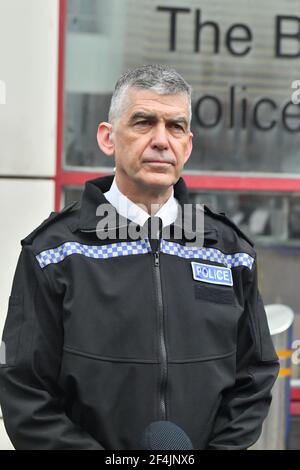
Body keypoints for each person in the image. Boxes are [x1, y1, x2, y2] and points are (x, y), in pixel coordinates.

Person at [0, 64, 279, 450]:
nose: (161, 140)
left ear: (189, 145)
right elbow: (25, 391)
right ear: (108, 137)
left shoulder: (230, 253)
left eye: (175, 126)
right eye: (143, 122)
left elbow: (255, 375)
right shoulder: (53, 253)